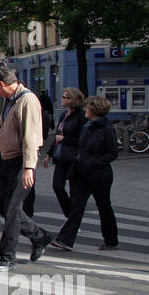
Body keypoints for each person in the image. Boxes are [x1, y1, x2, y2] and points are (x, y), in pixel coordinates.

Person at [0, 67, 52, 272]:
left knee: (13, 210)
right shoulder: (9, 100)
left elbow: (31, 137)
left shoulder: (27, 100)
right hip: (7, 160)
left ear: (3, 84)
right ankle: (40, 236)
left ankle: (8, 257)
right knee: (2, 205)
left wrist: (28, 167)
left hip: (20, 161)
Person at [50, 95, 119, 251]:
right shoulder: (88, 126)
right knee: (76, 206)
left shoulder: (106, 129)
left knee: (104, 207)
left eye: (88, 107)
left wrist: (96, 162)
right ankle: (65, 239)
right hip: (81, 173)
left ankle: (111, 240)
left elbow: (113, 153)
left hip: (99, 175)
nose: (86, 109)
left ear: (95, 110)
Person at [43, 87, 86, 218]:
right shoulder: (63, 115)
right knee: (57, 186)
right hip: (61, 156)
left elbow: (83, 139)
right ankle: (70, 215)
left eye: (65, 97)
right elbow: (57, 136)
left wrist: (65, 139)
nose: (62, 99)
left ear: (72, 100)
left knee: (74, 190)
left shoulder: (81, 116)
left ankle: (73, 220)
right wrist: (49, 154)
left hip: (74, 157)